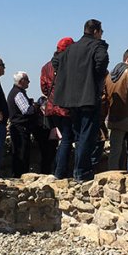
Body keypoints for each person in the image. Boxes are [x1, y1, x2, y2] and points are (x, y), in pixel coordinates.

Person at [52, 19, 109, 181]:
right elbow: (102, 61)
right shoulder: (97, 46)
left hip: (71, 100)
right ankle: (81, 172)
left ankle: (78, 170)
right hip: (88, 98)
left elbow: (55, 61)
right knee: (87, 135)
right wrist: (93, 78)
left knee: (79, 135)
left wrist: (70, 75)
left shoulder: (72, 48)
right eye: (101, 32)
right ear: (96, 31)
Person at [41, 37, 74, 178]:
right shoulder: (68, 65)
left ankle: (57, 170)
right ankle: (59, 172)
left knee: (63, 139)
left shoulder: (46, 67)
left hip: (51, 108)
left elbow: (44, 88)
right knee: (67, 139)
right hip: (64, 108)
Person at [8, 71, 39, 177]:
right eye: (27, 80)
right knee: (22, 153)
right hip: (20, 127)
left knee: (18, 152)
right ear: (22, 81)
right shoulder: (18, 93)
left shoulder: (15, 92)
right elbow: (26, 110)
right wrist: (35, 106)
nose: (29, 83)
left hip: (17, 126)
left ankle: (17, 174)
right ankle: (20, 176)